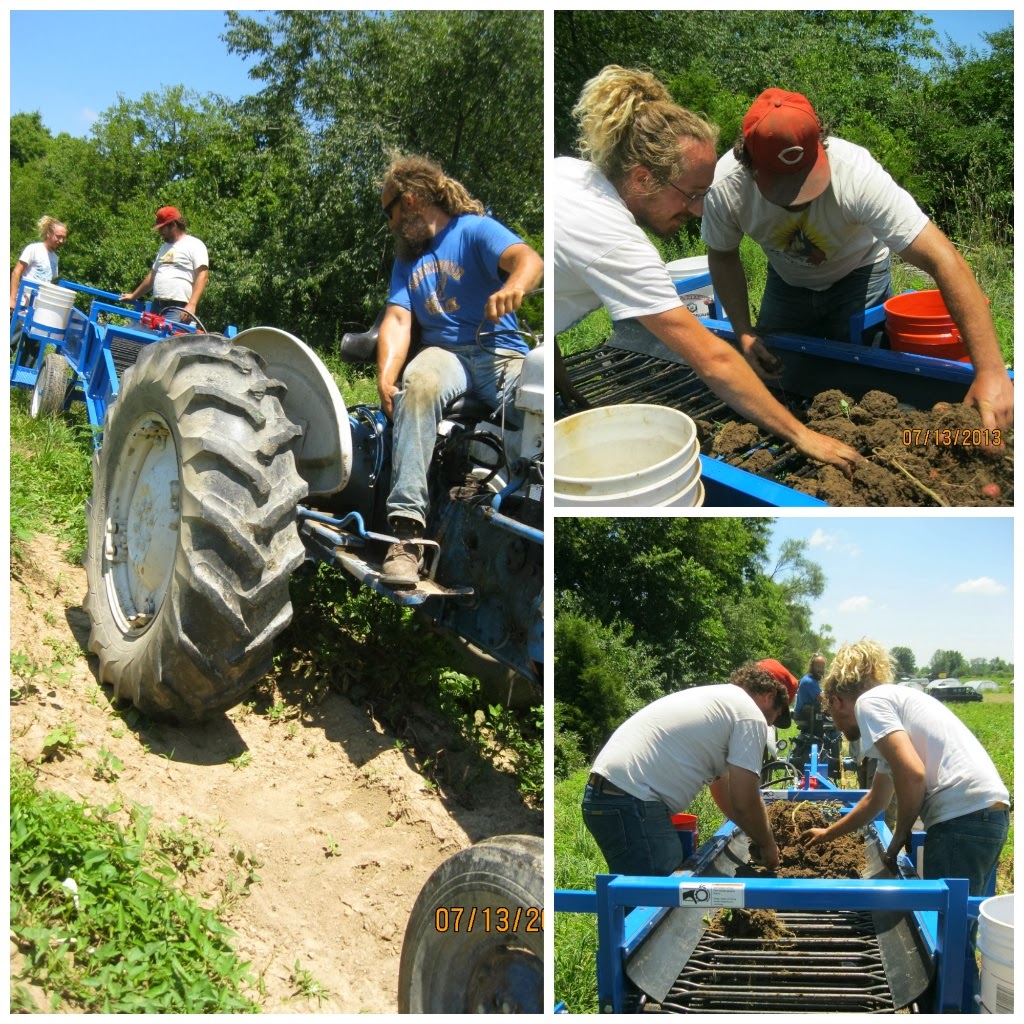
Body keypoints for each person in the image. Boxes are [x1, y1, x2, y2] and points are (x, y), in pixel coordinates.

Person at [553, 65, 860, 478]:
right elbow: (713, 359)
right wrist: (803, 436)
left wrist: (564, 388)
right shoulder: (613, 238)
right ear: (643, 179)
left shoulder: (569, 173)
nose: (699, 210)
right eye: (692, 194)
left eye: (706, 194)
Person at [702, 89, 1013, 433]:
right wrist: (743, 332)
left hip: (860, 273)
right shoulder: (726, 185)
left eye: (805, 181)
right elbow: (723, 253)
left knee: (868, 388)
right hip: (786, 283)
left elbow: (943, 259)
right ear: (749, 164)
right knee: (778, 375)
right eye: (783, 187)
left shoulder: (856, 174)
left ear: (820, 145)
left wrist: (991, 372)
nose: (796, 200)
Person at [801, 640, 1009, 890]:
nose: (837, 726)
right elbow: (876, 799)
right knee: (959, 921)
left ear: (835, 701)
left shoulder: (869, 703)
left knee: (943, 923)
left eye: (832, 716)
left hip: (962, 818)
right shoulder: (894, 702)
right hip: (985, 814)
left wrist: (901, 833)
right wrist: (828, 834)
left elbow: (912, 774)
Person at [581, 663, 792, 877]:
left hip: (605, 795)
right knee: (659, 896)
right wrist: (768, 845)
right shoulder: (750, 715)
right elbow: (745, 800)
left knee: (638, 892)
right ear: (770, 695)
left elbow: (722, 791)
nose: (769, 724)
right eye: (776, 715)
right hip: (632, 799)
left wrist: (755, 834)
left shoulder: (722, 701)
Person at [120, 207, 209, 324]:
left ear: (173, 225)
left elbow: (203, 275)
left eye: (162, 228)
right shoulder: (164, 247)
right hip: (157, 305)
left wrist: (192, 304)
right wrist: (134, 296)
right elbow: (153, 276)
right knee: (147, 340)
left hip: (178, 309)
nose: (160, 232)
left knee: (168, 341)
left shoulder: (194, 244)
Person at [10, 215, 67, 313]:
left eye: (63, 238)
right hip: (24, 304)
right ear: (49, 233)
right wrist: (12, 299)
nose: (61, 241)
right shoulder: (34, 249)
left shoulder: (54, 258)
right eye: (58, 237)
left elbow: (49, 282)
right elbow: (16, 272)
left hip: (40, 308)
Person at [794, 653, 827, 719]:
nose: (820, 669)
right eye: (818, 667)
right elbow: (823, 700)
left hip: (807, 713)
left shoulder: (810, 679)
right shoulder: (810, 682)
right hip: (804, 716)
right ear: (812, 666)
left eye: (822, 667)